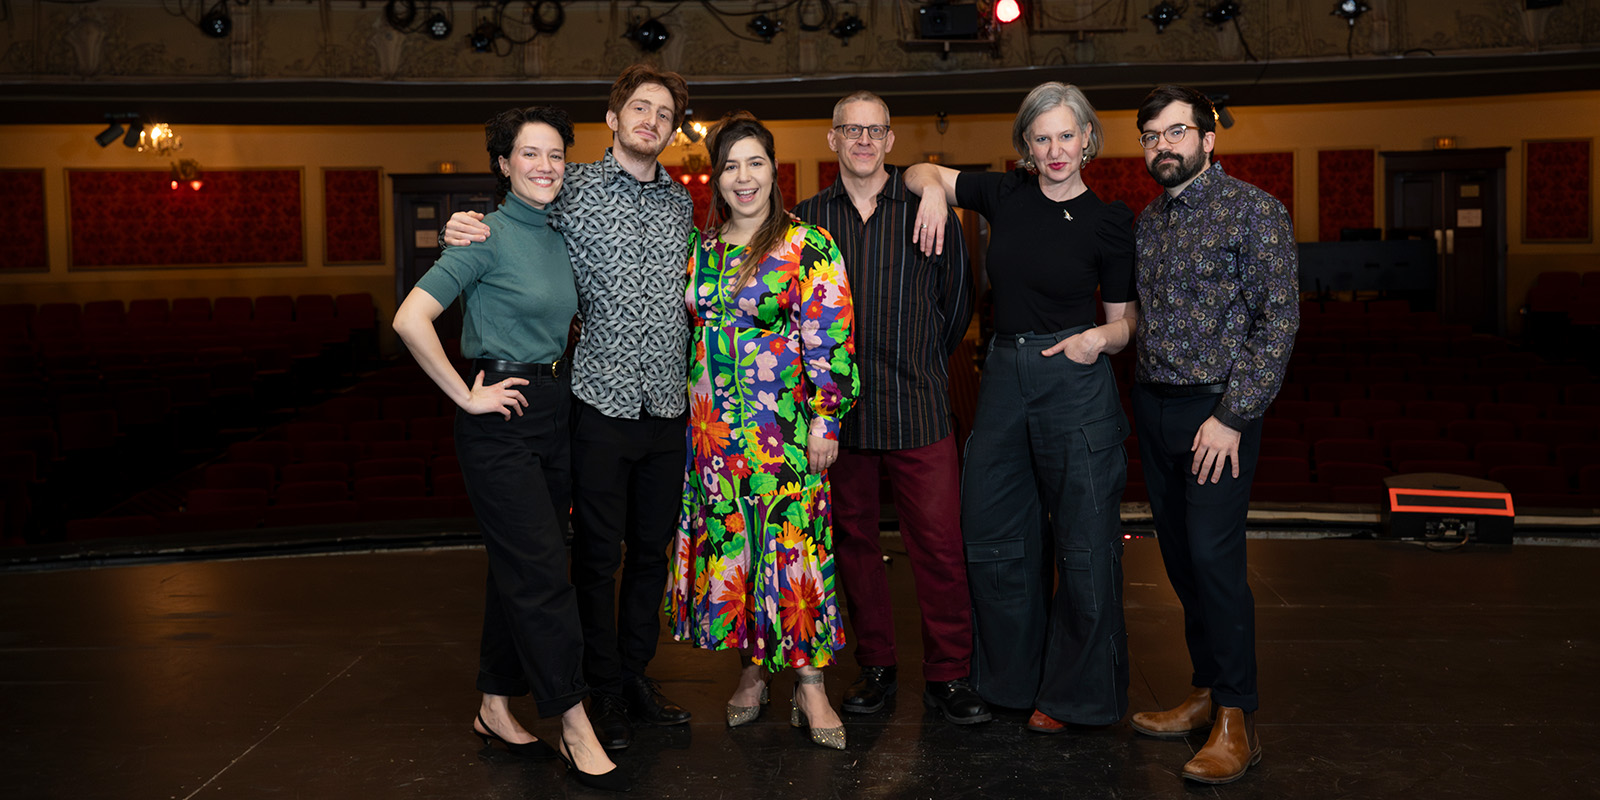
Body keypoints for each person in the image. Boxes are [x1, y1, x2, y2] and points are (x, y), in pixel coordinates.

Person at [442, 65, 696, 752]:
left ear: (673, 130)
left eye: (664, 114)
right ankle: (599, 687)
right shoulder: (572, 186)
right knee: (595, 558)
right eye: (638, 108)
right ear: (613, 118)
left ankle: (635, 677)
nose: (651, 120)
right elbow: (514, 218)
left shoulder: (680, 205)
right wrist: (462, 221)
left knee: (651, 555)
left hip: (668, 405)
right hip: (596, 403)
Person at [391, 106, 626, 792]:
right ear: (503, 164)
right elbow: (410, 317)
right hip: (501, 416)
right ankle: (574, 723)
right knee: (545, 576)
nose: (546, 166)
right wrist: (467, 394)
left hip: (554, 410)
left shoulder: (558, 233)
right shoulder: (482, 235)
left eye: (556, 154)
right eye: (530, 154)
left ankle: (496, 703)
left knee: (522, 566)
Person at [906, 82, 1136, 733]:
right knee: (994, 534)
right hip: (1005, 374)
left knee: (1086, 546)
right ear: (1026, 146)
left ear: (1087, 138)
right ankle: (1006, 681)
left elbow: (1124, 325)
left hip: (1077, 374)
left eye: (1067, 135)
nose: (1056, 149)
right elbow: (921, 169)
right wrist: (931, 189)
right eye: (1043, 138)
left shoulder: (1110, 220)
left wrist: (1097, 337)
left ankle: (1077, 697)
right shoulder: (1004, 193)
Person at [789, 91, 989, 725]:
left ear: (892, 140)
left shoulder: (927, 208)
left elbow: (959, 302)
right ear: (833, 139)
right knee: (852, 542)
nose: (864, 140)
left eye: (875, 130)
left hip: (918, 404)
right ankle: (876, 666)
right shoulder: (805, 222)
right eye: (852, 129)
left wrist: (924, 360)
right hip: (837, 416)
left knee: (938, 544)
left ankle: (950, 674)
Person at [664, 111, 859, 750]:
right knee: (737, 550)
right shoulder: (704, 248)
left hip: (784, 432)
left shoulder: (808, 245)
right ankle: (751, 668)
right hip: (714, 435)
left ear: (773, 170)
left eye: (754, 163)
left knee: (791, 546)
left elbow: (829, 334)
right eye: (729, 166)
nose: (742, 178)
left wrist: (826, 419)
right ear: (715, 178)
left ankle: (809, 683)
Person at [1125, 85, 1298, 785]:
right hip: (1154, 403)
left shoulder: (1254, 212)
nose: (1161, 146)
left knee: (1216, 561)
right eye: (1149, 136)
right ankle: (1204, 691)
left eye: (1174, 133)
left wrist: (1232, 417)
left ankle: (1236, 718)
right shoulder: (1149, 221)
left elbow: (1277, 322)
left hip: (1215, 413)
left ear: (1207, 138)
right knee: (1179, 560)